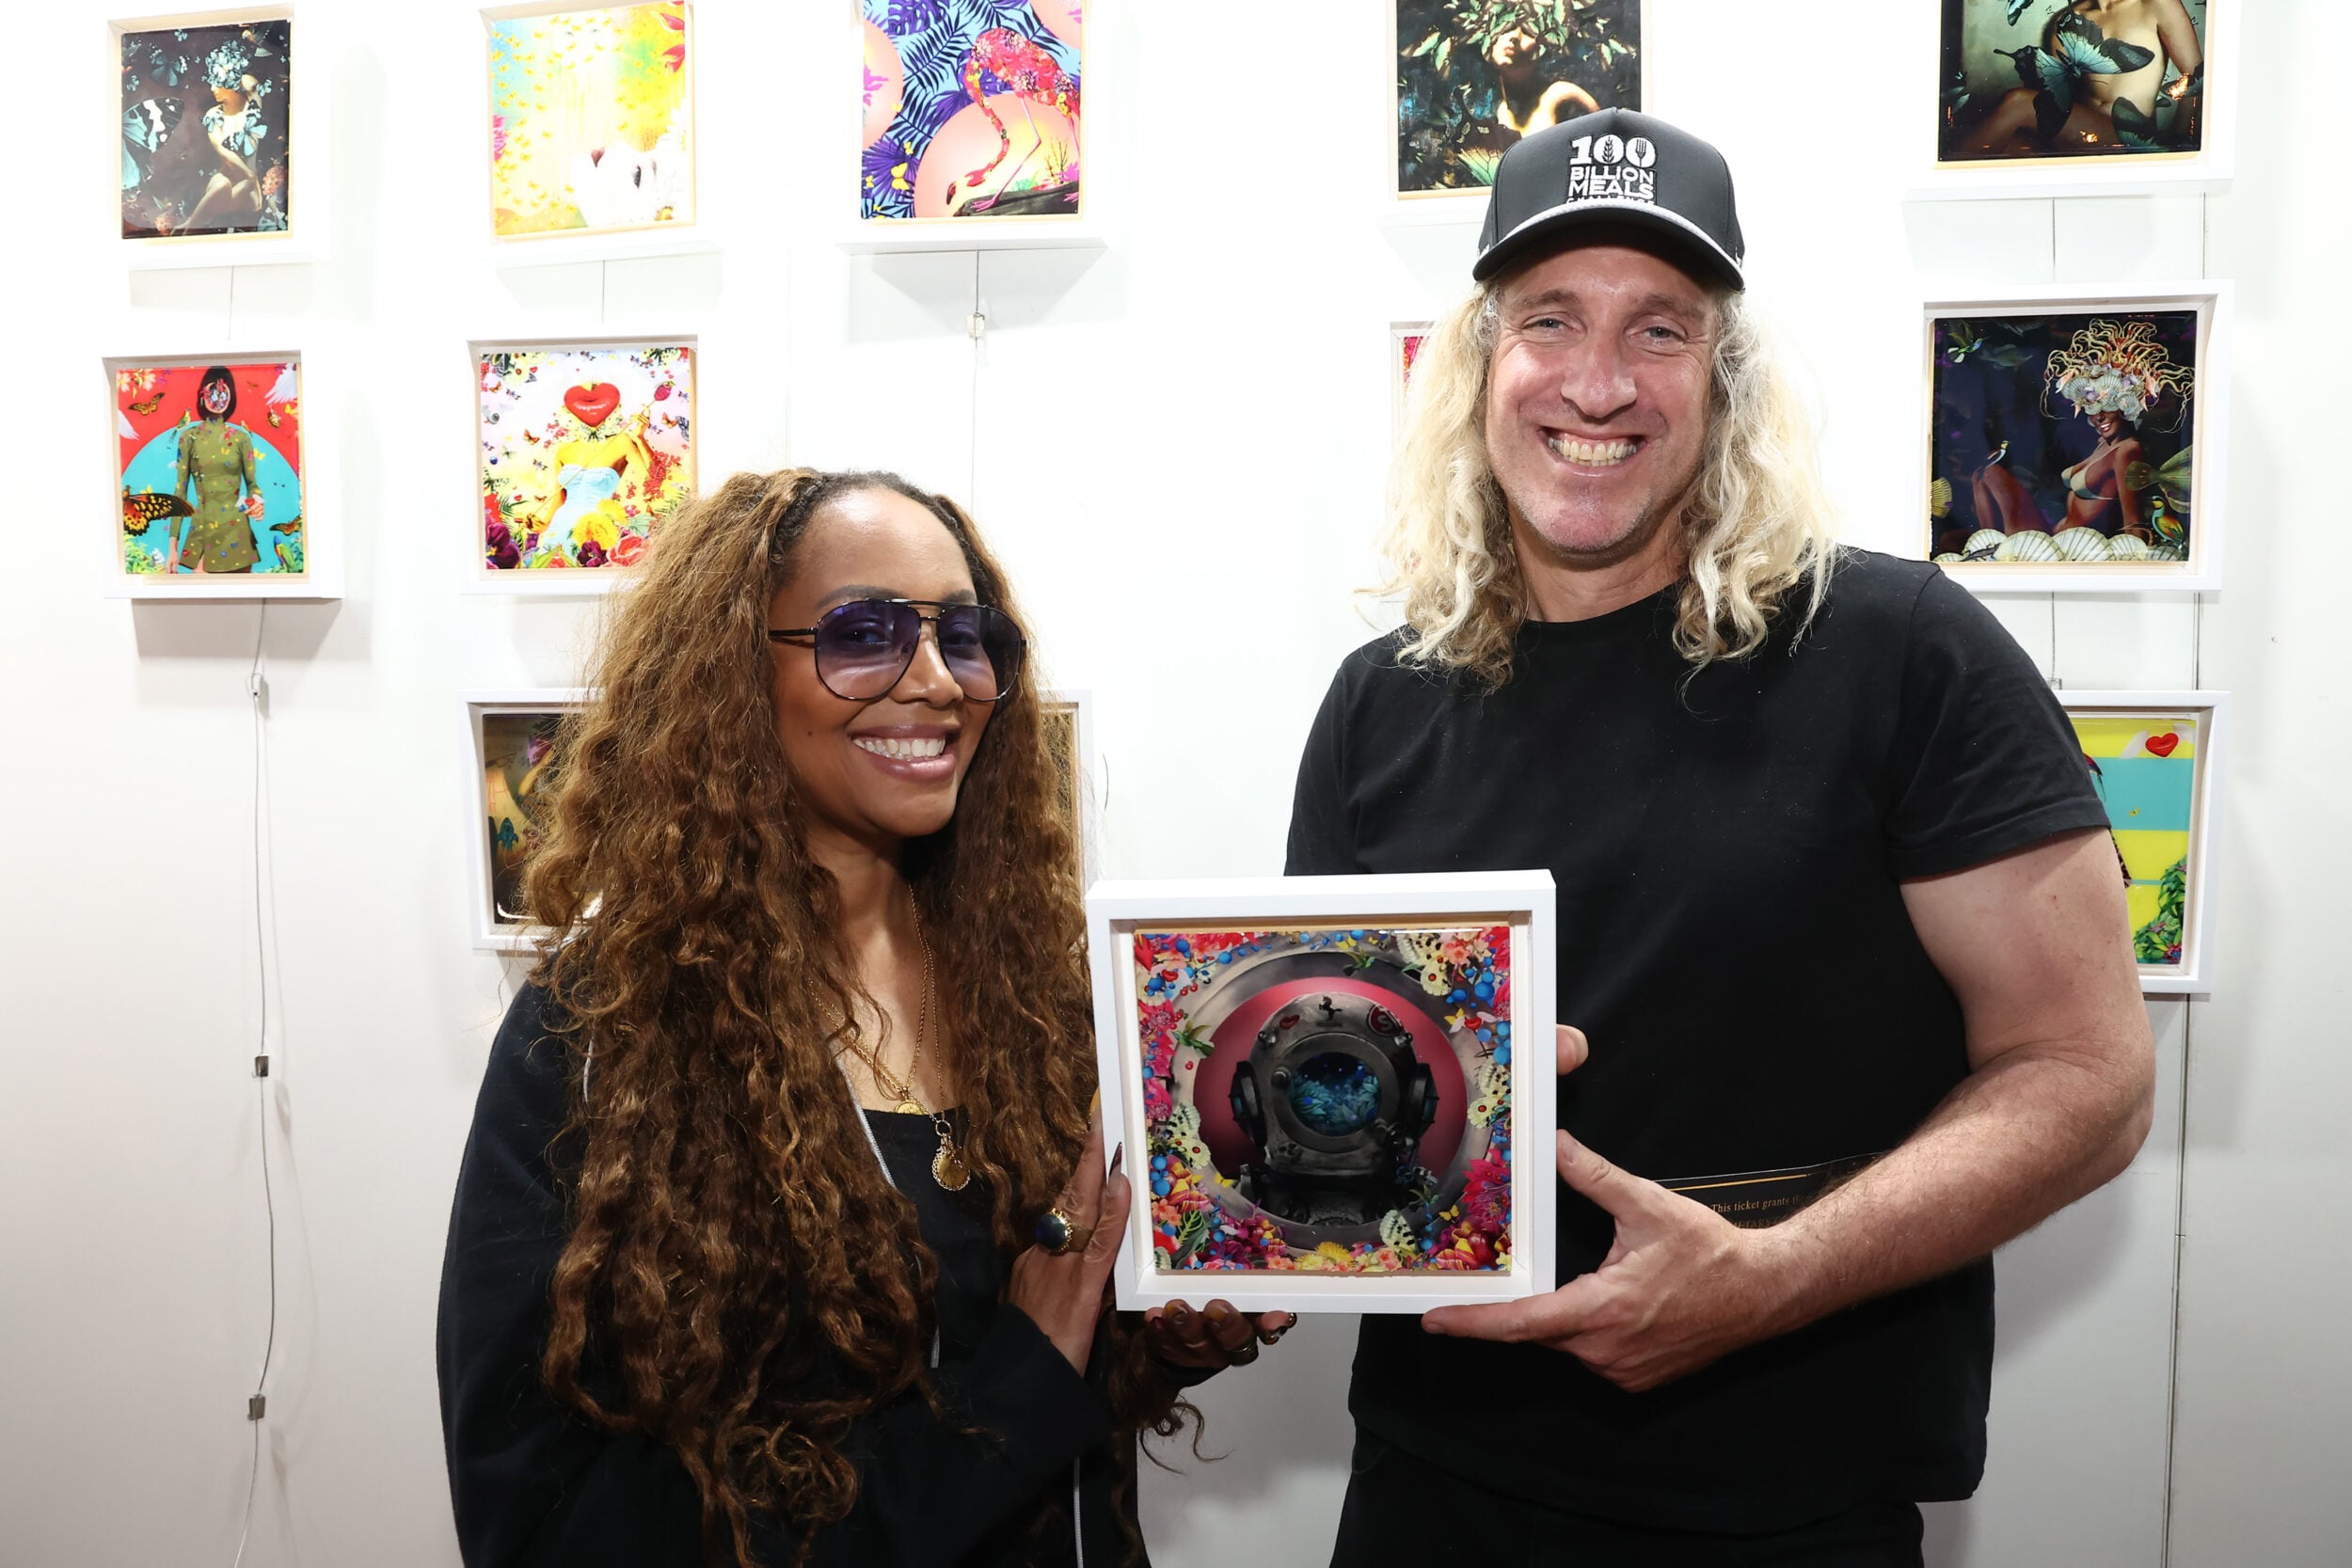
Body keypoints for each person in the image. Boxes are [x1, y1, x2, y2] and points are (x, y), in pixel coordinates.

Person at [1288, 110, 2155, 1565]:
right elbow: (1329, 1074)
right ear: (1480, 371)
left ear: (1727, 379)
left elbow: (2089, 1071)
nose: (1599, 382)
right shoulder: (1382, 703)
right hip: (1433, 1481)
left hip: (1784, 1502)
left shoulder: (1902, 650)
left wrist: (1771, 1277)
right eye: (1548, 320)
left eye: (1662, 330)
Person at [438, 467, 1286, 1568]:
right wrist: (1024, 1376)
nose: (936, 679)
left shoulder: (1043, 1000)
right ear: (738, 673)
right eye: (864, 632)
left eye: (966, 636)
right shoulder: (601, 1034)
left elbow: (1045, 1390)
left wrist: (1156, 1344)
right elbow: (547, 1523)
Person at [1960, 0, 2202, 157]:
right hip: (2084, 138)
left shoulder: (2158, 4)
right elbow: (2056, 96)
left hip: (2132, 138)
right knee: (2008, 146)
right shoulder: (2068, 20)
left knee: (2017, 103)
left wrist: (2179, 150)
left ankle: (1950, 177)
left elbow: (2196, 81)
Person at [171, 366, 262, 573]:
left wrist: (257, 502)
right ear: (203, 394)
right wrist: (173, 548)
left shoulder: (241, 438)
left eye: (223, 392)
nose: (218, 398)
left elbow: (253, 485)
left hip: (238, 535)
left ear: (231, 395)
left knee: (243, 602)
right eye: (213, 392)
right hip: (204, 532)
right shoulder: (189, 437)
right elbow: (180, 495)